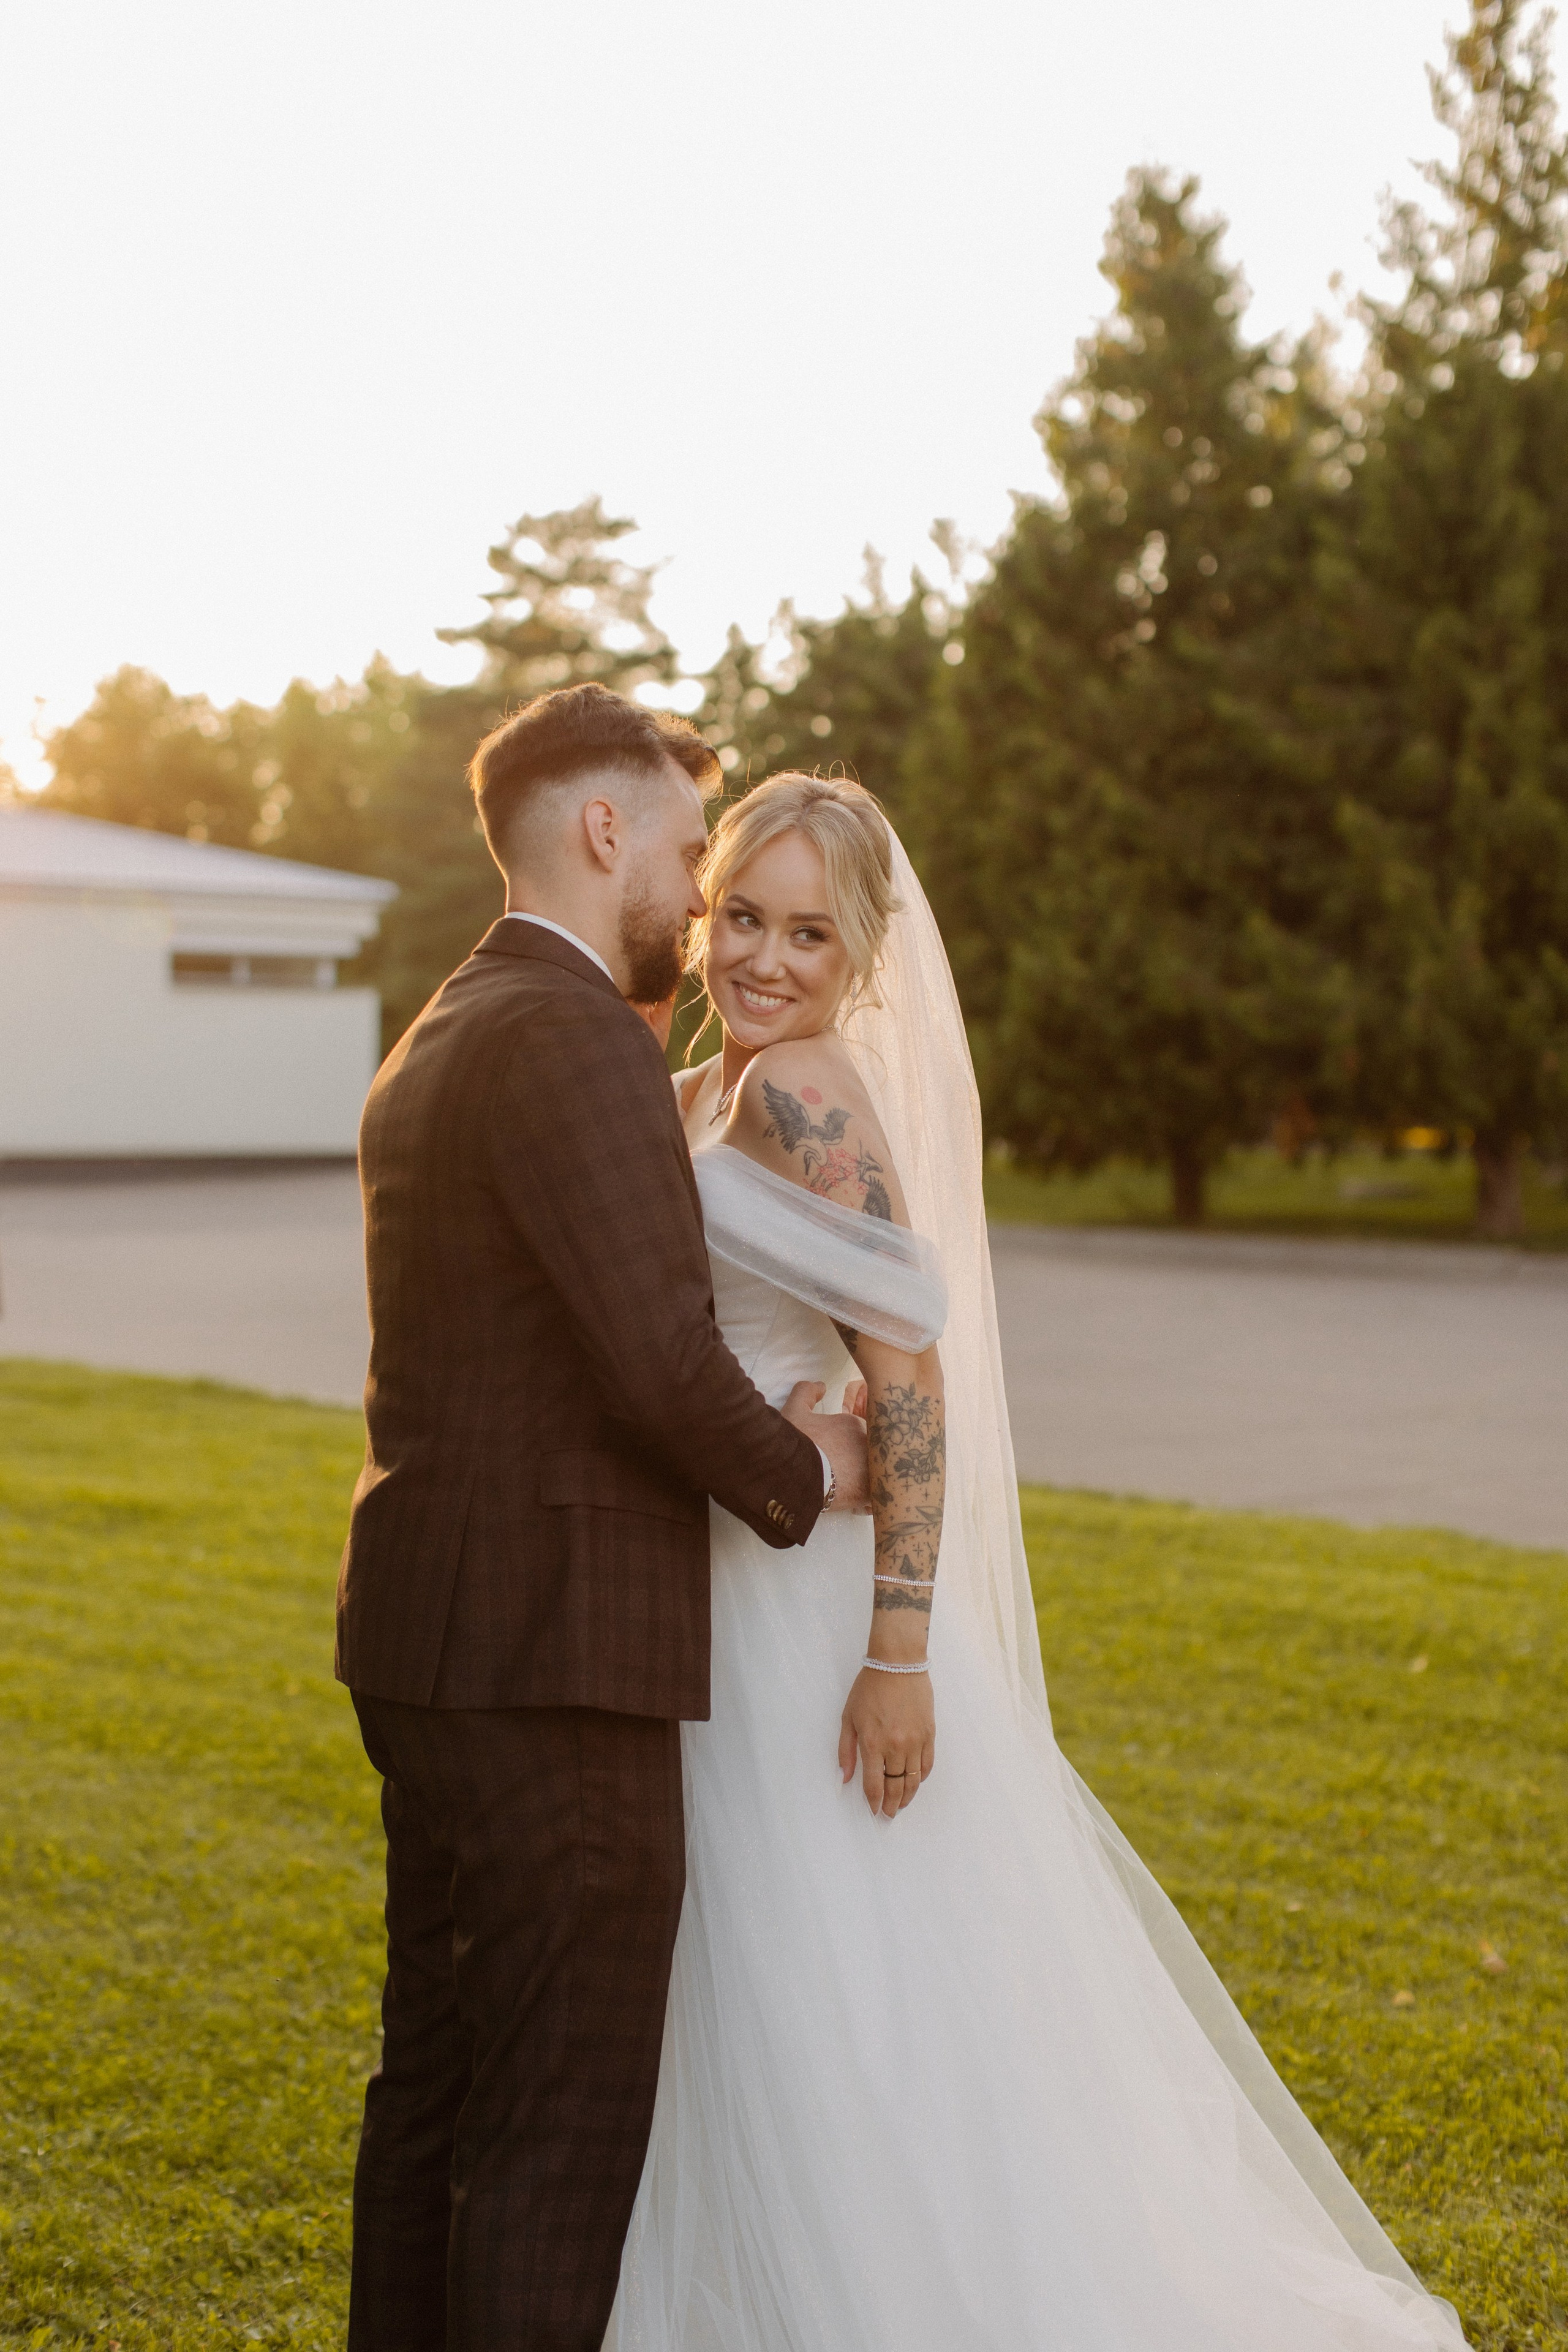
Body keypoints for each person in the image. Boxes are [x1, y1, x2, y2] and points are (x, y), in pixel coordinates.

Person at [606, 772, 1469, 2351]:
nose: (765, 959)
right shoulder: (700, 1090)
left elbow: (911, 1379)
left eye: (809, 933)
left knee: (849, 2007)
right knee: (750, 2000)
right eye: (742, 915)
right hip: (715, 1597)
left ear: (859, 959)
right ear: (704, 904)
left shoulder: (805, 1097)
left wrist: (900, 1653)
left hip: (811, 1629)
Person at [334, 684, 872, 2352]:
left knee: (437, 2086)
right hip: (554, 1657)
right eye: (693, 845)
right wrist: (814, 1470)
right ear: (601, 830)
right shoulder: (570, 1039)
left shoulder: (445, 1026)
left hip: (436, 1637)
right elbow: (657, 1362)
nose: (700, 891)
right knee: (554, 2136)